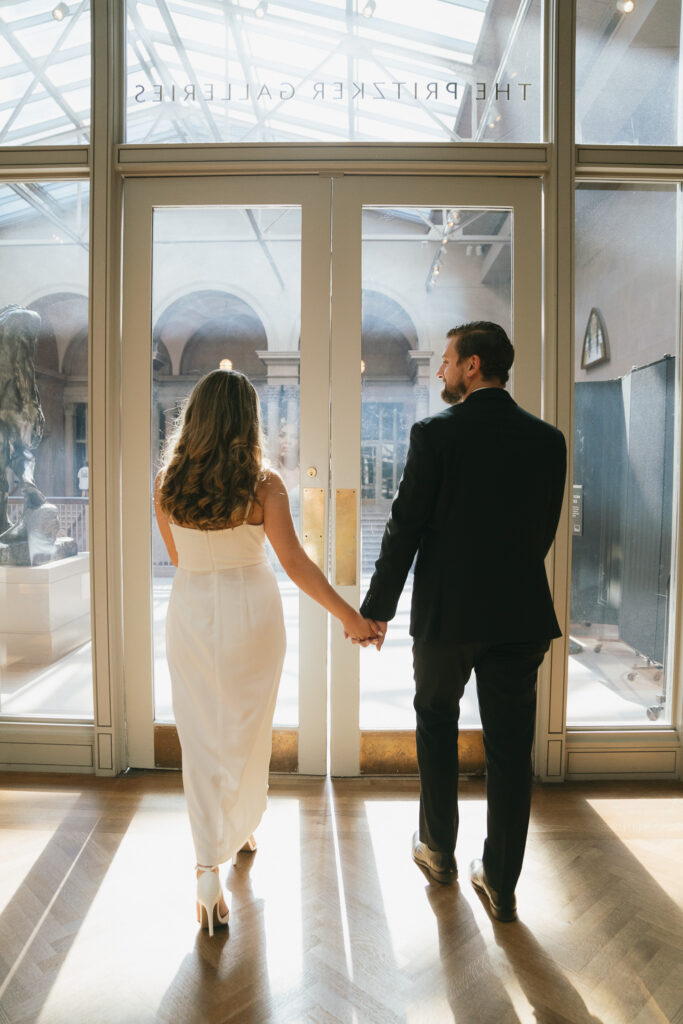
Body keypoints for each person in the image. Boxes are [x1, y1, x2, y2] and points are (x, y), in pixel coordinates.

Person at [155, 369, 378, 935]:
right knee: (247, 729)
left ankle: (209, 867)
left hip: (191, 614)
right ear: (246, 421)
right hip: (253, 616)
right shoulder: (264, 484)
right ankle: (239, 827)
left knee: (201, 734)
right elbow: (295, 564)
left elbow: (180, 561)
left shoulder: (168, 485)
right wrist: (350, 617)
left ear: (196, 418)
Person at [359, 321, 566, 922]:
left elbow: (405, 529)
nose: (442, 371)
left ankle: (439, 851)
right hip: (520, 612)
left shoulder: (434, 435)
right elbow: (542, 531)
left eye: (448, 361)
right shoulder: (547, 440)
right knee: (508, 749)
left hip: (448, 615)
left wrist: (376, 610)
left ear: (473, 365)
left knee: (435, 723)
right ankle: (501, 882)